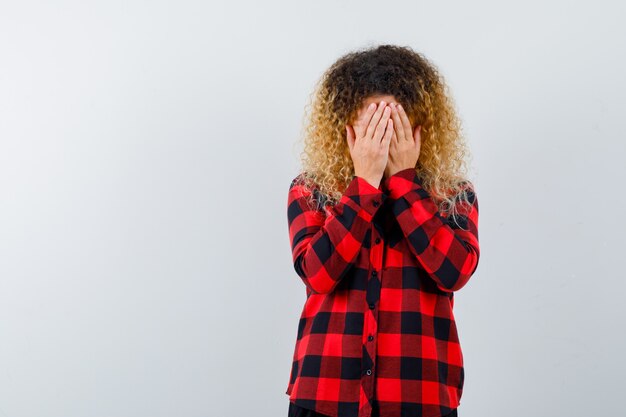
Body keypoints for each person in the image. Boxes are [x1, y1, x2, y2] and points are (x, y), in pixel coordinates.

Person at [285, 44, 479, 417]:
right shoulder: (311, 190)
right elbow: (318, 275)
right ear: (345, 126)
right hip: (325, 396)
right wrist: (364, 184)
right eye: (371, 123)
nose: (382, 137)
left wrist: (405, 184)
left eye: (394, 123)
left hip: (418, 396)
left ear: (420, 127)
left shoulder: (453, 195)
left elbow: (454, 272)